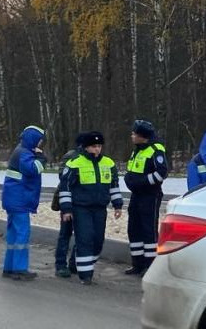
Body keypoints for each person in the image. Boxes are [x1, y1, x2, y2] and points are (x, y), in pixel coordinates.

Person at [58, 131, 123, 284]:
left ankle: (80, 264)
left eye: (99, 146)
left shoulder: (108, 163)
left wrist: (118, 205)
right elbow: (65, 188)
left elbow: (114, 186)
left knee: (98, 240)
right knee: (85, 239)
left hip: (100, 208)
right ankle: (86, 275)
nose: (97, 149)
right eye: (94, 146)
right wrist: (66, 209)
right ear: (86, 147)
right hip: (81, 208)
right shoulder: (75, 163)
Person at [1, 125, 47, 281]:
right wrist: (41, 158)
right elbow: (32, 170)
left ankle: (9, 268)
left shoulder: (19, 150)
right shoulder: (25, 153)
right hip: (19, 201)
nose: (40, 144)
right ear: (33, 139)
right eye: (39, 141)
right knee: (22, 234)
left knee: (13, 235)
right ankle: (20, 269)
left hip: (13, 200)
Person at [123, 119, 168, 276]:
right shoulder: (137, 150)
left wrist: (142, 182)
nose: (132, 136)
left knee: (148, 231)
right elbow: (132, 169)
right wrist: (129, 179)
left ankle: (150, 266)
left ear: (142, 136)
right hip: (136, 195)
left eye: (134, 134)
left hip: (150, 195)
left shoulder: (156, 150)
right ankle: (137, 264)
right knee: (133, 229)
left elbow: (162, 173)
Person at [53, 143, 80, 278]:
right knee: (65, 233)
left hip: (82, 203)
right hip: (68, 200)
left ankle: (74, 263)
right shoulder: (71, 156)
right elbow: (63, 178)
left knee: (81, 235)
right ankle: (61, 265)